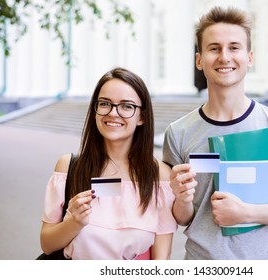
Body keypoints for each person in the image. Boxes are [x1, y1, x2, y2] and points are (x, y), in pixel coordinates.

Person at [162, 6, 268, 259]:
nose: (224, 57)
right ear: (199, 60)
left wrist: (247, 213)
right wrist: (182, 197)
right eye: (214, 48)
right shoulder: (178, 133)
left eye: (234, 47)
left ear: (249, 57)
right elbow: (182, 217)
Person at [40, 67, 177, 260]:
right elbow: (47, 245)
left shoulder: (159, 176)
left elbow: (161, 260)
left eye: (127, 106)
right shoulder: (68, 167)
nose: (113, 113)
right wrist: (74, 223)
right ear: (95, 110)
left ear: (142, 117)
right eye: (105, 103)